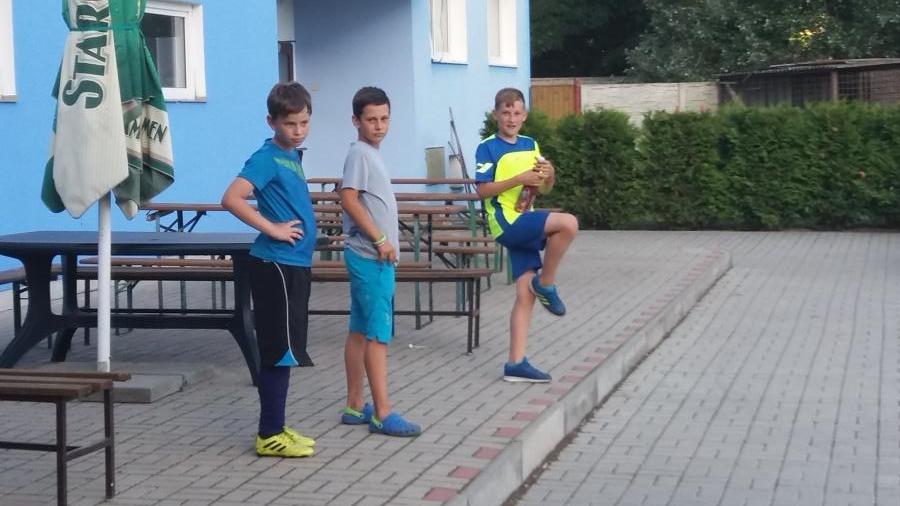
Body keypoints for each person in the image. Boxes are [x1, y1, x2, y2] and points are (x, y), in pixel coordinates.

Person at [221, 82, 318, 457]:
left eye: (304, 122)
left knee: (287, 349)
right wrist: (273, 228)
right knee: (278, 349)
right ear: (271, 122)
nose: (298, 130)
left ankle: (276, 425)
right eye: (290, 124)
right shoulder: (266, 157)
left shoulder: (291, 155)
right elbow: (232, 198)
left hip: (294, 264)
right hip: (276, 265)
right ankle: (268, 434)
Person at [475, 87, 579, 383]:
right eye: (505, 113)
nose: (511, 118)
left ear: (525, 116)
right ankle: (546, 283)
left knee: (524, 294)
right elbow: (482, 190)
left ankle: (515, 364)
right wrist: (518, 178)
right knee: (568, 223)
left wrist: (550, 173)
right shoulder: (487, 147)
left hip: (524, 217)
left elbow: (544, 188)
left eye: (516, 113)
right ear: (496, 115)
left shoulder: (531, 144)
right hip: (506, 223)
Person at [338, 86, 421, 437]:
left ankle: (355, 405)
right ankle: (382, 413)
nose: (379, 126)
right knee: (377, 333)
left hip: (369, 256)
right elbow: (348, 199)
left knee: (360, 329)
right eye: (371, 119)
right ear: (356, 120)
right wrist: (381, 239)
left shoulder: (369, 153)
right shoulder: (359, 153)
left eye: (384, 119)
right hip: (371, 257)